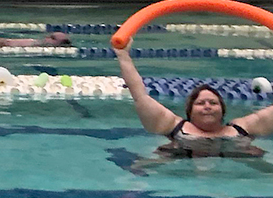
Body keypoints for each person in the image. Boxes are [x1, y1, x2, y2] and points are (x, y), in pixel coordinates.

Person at [114, 44, 273, 158]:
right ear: (189, 111)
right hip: (180, 167)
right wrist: (123, 55)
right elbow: (140, 96)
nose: (207, 107)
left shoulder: (244, 127)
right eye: (200, 103)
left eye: (213, 103)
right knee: (141, 166)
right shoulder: (172, 125)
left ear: (222, 111)